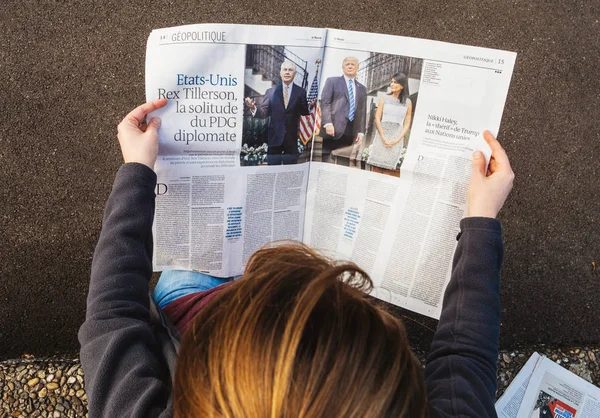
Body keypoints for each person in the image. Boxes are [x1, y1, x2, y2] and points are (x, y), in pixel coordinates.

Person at [79, 98, 514, 417]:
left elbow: (114, 312)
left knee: (191, 263)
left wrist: (138, 171)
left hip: (193, 312)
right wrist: (480, 220)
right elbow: (465, 359)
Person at [244, 60, 310, 165]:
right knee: (272, 171)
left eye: (290, 70)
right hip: (274, 140)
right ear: (280, 73)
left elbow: (304, 112)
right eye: (285, 70)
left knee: (290, 173)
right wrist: (253, 108)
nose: (287, 72)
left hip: (291, 141)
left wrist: (308, 105)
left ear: (295, 74)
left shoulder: (301, 92)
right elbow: (263, 113)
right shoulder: (270, 92)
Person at [320, 56, 367, 162]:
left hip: (350, 132)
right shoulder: (332, 81)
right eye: (347, 64)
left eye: (353, 64)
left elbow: (362, 111)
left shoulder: (362, 88)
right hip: (332, 129)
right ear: (343, 67)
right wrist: (328, 123)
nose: (350, 66)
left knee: (344, 163)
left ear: (357, 67)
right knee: (327, 162)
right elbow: (325, 102)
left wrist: (360, 132)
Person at [366, 72, 413, 170]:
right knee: (376, 167)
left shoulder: (408, 102)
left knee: (389, 170)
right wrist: (383, 137)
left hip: (397, 138)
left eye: (395, 82)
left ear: (402, 86)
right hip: (382, 136)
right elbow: (377, 119)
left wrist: (397, 139)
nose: (392, 84)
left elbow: (407, 123)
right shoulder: (384, 98)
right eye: (391, 82)